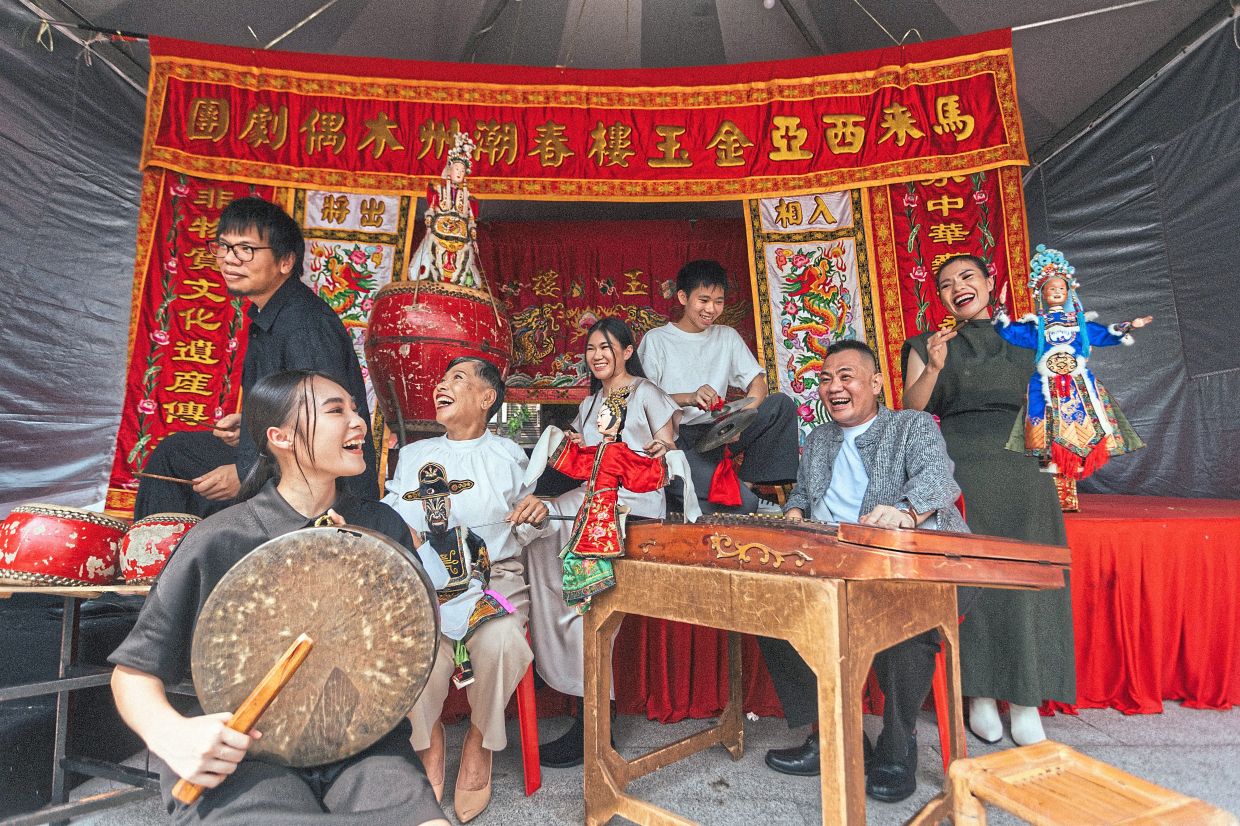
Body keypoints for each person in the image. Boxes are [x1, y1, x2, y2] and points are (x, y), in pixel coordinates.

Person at [109, 370, 447, 826]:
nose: (358, 421)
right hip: (244, 750)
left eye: (354, 407)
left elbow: (412, 635)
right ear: (280, 437)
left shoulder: (380, 526)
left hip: (360, 743)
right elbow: (133, 673)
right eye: (336, 410)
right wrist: (169, 734)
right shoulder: (221, 538)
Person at [757, 340, 968, 803]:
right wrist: (792, 515)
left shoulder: (910, 426)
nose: (834, 387)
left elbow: (939, 479)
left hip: (912, 563)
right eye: (826, 379)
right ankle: (833, 735)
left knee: (901, 617)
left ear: (875, 383)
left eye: (846, 376)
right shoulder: (818, 440)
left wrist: (906, 513)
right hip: (836, 565)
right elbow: (803, 497)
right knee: (768, 607)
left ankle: (897, 747)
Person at [901, 253, 1075, 747]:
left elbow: (1061, 390)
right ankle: (977, 696)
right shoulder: (926, 344)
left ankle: (1026, 700)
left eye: (967, 277)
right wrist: (934, 366)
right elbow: (912, 408)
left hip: (1023, 466)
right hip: (961, 468)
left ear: (990, 282)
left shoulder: (1029, 336)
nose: (958, 287)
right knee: (972, 580)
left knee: (1026, 578)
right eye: (946, 284)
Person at [135, 196, 378, 519]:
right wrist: (251, 426)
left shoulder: (305, 325)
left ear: (285, 262)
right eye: (224, 246)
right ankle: (154, 559)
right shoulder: (271, 314)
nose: (229, 260)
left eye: (246, 249)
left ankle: (166, 563)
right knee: (175, 454)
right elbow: (289, 404)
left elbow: (325, 425)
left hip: (323, 483)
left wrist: (244, 474)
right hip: (279, 455)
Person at [383, 356, 548, 823]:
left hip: (493, 577)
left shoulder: (508, 456)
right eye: (440, 379)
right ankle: (428, 740)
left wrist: (533, 513)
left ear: (486, 398)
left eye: (457, 378)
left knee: (499, 639)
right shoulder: (415, 455)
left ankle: (479, 740)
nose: (441, 385)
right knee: (417, 648)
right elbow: (394, 515)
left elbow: (528, 524)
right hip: (425, 581)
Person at [527, 318, 681, 768]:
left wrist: (657, 448)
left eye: (606, 348)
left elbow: (667, 447)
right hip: (591, 497)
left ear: (627, 351)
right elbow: (581, 456)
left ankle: (595, 717)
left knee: (561, 536)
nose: (597, 356)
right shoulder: (591, 400)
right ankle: (549, 629)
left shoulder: (646, 392)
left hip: (633, 500)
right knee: (537, 534)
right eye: (591, 349)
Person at [637, 259, 798, 514]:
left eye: (718, 301)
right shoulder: (657, 340)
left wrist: (741, 417)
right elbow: (643, 401)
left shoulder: (727, 336)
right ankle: (735, 497)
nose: (711, 309)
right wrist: (690, 397)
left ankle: (746, 484)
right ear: (682, 297)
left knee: (780, 406)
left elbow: (758, 384)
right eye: (703, 300)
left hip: (719, 429)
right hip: (681, 439)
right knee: (743, 506)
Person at [993, 245, 1150, 479]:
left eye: (1060, 288)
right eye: (1051, 288)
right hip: (1046, 382)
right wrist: (1000, 310)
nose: (1056, 292)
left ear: (1068, 291)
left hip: (1077, 383)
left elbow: (1104, 334)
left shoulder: (1079, 324)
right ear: (1041, 294)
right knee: (1042, 416)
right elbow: (1010, 332)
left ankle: (1076, 463)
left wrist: (1128, 326)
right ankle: (1048, 463)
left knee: (1085, 419)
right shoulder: (1038, 325)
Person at [407, 132, 482, 289]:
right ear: (450, 169)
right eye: (457, 169)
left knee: (463, 268)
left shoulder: (468, 198)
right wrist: (429, 227)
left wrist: (473, 238)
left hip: (461, 238)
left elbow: (471, 220)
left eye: (462, 171)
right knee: (432, 262)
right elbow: (431, 212)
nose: (459, 173)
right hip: (439, 234)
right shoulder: (438, 191)